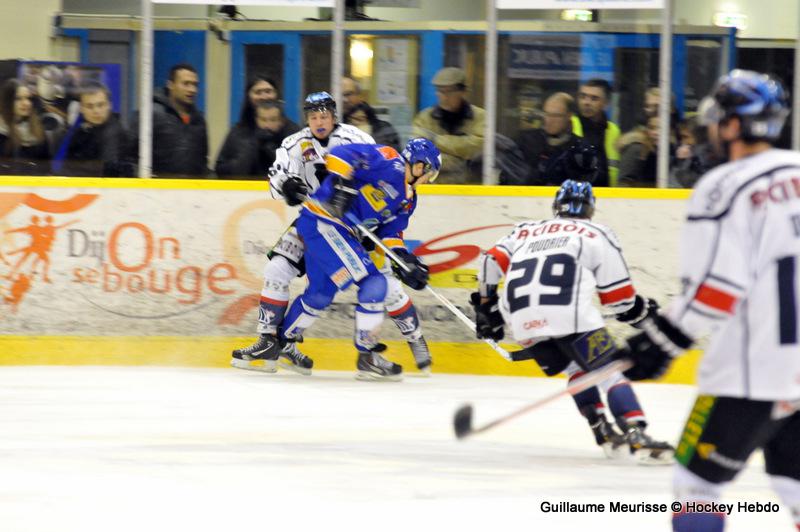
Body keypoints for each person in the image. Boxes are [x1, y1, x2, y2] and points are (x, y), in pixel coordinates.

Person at [617, 70, 800, 531]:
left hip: (753, 372)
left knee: (696, 487)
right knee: (793, 485)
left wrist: (661, 341)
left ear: (734, 125)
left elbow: (717, 288)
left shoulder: (723, 188)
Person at [231, 94, 434, 375]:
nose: (319, 121)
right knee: (278, 269)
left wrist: (402, 257)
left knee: (325, 292)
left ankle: (285, 342)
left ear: (334, 116)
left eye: (324, 116)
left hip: (353, 229)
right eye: (313, 117)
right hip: (318, 216)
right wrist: (288, 185)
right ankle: (269, 342)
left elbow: (387, 221)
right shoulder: (294, 143)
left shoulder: (357, 138)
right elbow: (278, 175)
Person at [471, 179, 673, 462]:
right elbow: (620, 300)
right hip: (568, 315)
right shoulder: (596, 233)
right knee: (610, 369)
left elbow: (489, 262)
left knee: (577, 368)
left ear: (556, 206)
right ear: (590, 209)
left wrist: (486, 308)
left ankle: (601, 429)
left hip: (521, 319)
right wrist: (642, 314)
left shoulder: (524, 230)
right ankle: (635, 434)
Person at [131, 63, 208, 177]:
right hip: (156, 187)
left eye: (195, 85)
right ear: (170, 85)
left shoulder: (199, 120)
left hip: (192, 187)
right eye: (186, 84)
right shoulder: (150, 114)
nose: (192, 90)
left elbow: (203, 161)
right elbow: (130, 155)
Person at [216, 75, 301, 179]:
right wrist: (251, 150)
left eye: (268, 91)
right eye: (258, 92)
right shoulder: (237, 132)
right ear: (248, 96)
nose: (264, 97)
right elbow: (221, 170)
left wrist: (273, 151)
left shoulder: (293, 132)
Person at [413, 67, 485, 184]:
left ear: (463, 92)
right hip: (434, 188)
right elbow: (418, 157)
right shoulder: (424, 118)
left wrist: (435, 139)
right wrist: (460, 158)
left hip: (470, 189)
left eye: (449, 91)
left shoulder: (480, 117)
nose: (444, 97)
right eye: (440, 91)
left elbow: (478, 149)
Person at [52, 82, 133, 177]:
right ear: (81, 109)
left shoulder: (114, 133)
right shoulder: (80, 131)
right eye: (89, 106)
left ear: (109, 105)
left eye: (101, 105)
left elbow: (106, 172)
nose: (96, 111)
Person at [516, 92, 579, 185]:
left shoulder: (579, 148)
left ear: (569, 116)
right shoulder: (526, 141)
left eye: (556, 116)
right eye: (546, 114)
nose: (549, 120)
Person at [572, 79, 621, 187]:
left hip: (608, 194)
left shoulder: (614, 131)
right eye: (583, 96)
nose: (586, 102)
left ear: (606, 103)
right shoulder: (570, 126)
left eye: (594, 98)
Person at [0, 78, 51, 175]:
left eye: (28, 98)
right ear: (7, 102)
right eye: (18, 99)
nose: (26, 103)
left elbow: (47, 167)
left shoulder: (38, 129)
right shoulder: (2, 132)